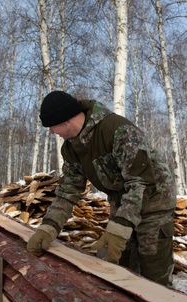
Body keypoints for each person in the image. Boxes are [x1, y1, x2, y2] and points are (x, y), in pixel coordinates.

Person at [26, 90, 177, 286]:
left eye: (52, 127)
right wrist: (49, 227)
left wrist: (120, 227)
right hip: (123, 203)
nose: (52, 132)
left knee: (154, 274)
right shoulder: (72, 148)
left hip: (154, 202)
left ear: (65, 121)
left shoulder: (116, 130)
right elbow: (67, 191)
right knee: (123, 271)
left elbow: (141, 182)